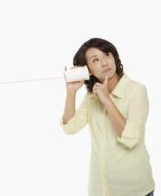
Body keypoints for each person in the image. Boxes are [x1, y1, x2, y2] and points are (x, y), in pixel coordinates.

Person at [61, 38, 155, 196]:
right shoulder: (92, 98)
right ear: (88, 70)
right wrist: (71, 93)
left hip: (134, 190)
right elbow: (70, 127)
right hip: (100, 190)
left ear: (114, 57)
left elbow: (131, 139)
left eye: (107, 54)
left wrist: (107, 101)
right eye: (95, 60)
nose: (105, 62)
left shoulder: (136, 91)